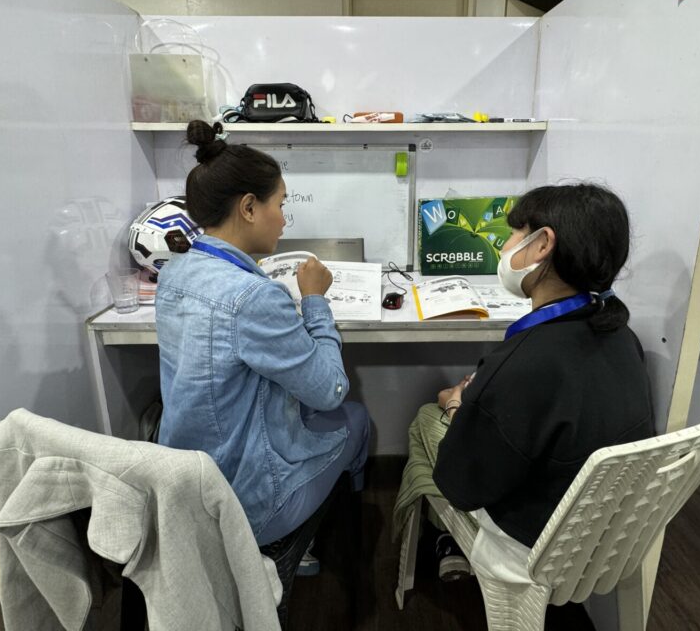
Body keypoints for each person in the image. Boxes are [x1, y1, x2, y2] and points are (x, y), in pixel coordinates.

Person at [394, 182, 654, 583]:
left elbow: (461, 485)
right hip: (607, 526)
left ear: (542, 244)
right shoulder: (621, 334)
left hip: (535, 538)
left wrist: (456, 405)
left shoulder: (522, 364)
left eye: (515, 232)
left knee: (427, 416)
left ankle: (445, 538)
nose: (506, 245)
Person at [157, 119, 371, 569]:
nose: (284, 218)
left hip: (184, 487)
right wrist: (314, 301)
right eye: (281, 204)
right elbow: (330, 389)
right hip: (246, 505)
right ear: (250, 207)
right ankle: (332, 543)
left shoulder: (174, 271)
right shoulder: (253, 296)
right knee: (355, 417)